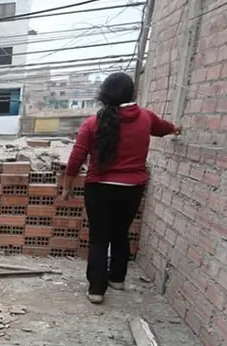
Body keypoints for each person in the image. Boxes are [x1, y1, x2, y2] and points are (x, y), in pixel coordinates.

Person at [61, 72, 180, 304]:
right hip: (132, 188)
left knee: (99, 237)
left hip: (99, 188)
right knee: (120, 233)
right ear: (131, 93)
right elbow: (164, 128)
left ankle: (96, 289)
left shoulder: (92, 123)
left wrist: (67, 187)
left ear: (103, 94)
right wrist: (177, 129)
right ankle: (117, 278)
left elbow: (76, 158)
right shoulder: (145, 118)